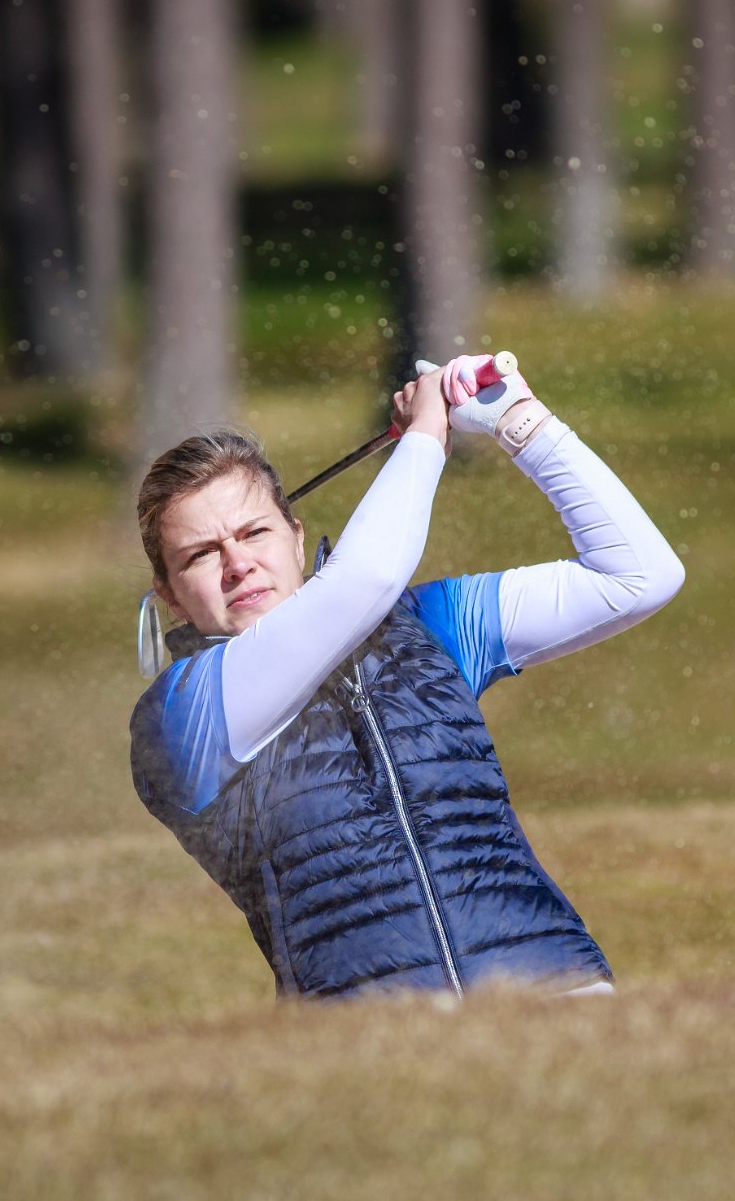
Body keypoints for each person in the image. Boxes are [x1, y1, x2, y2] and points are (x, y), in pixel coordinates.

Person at [128, 356, 684, 1003]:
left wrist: (519, 424)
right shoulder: (182, 714)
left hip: (556, 995)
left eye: (255, 532)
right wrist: (426, 435)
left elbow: (639, 576)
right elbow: (361, 582)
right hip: (377, 1051)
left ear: (296, 537)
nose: (238, 565)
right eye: (201, 554)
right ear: (167, 595)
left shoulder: (426, 624)